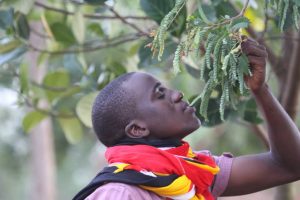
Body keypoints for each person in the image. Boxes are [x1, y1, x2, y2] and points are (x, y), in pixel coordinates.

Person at [73, 38, 300, 200]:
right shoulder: (121, 192)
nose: (177, 94)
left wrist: (260, 90)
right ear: (137, 129)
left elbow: (289, 166)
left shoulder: (190, 172)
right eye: (160, 94)